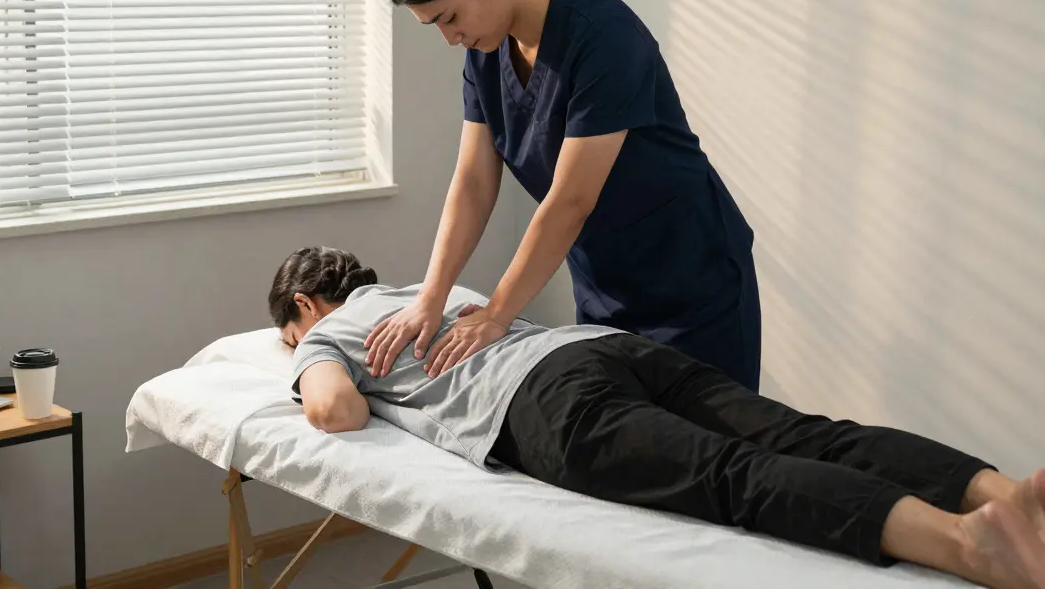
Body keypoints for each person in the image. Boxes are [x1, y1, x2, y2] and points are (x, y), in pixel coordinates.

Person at [267, 246, 1045, 589]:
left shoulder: (330, 334)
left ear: (304, 307)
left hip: (547, 406)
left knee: (734, 476)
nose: (291, 352)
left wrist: (309, 369)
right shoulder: (435, 292)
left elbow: (334, 411)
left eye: (286, 337)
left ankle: (966, 547)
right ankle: (1004, 495)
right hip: (606, 348)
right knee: (801, 432)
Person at [366, 0, 762, 391]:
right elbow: (471, 183)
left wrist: (496, 315)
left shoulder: (604, 34)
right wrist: (430, 297)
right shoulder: (486, 54)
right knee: (628, 447)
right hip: (604, 283)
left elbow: (572, 199)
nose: (451, 38)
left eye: (449, 18)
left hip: (691, 278)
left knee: (720, 449)